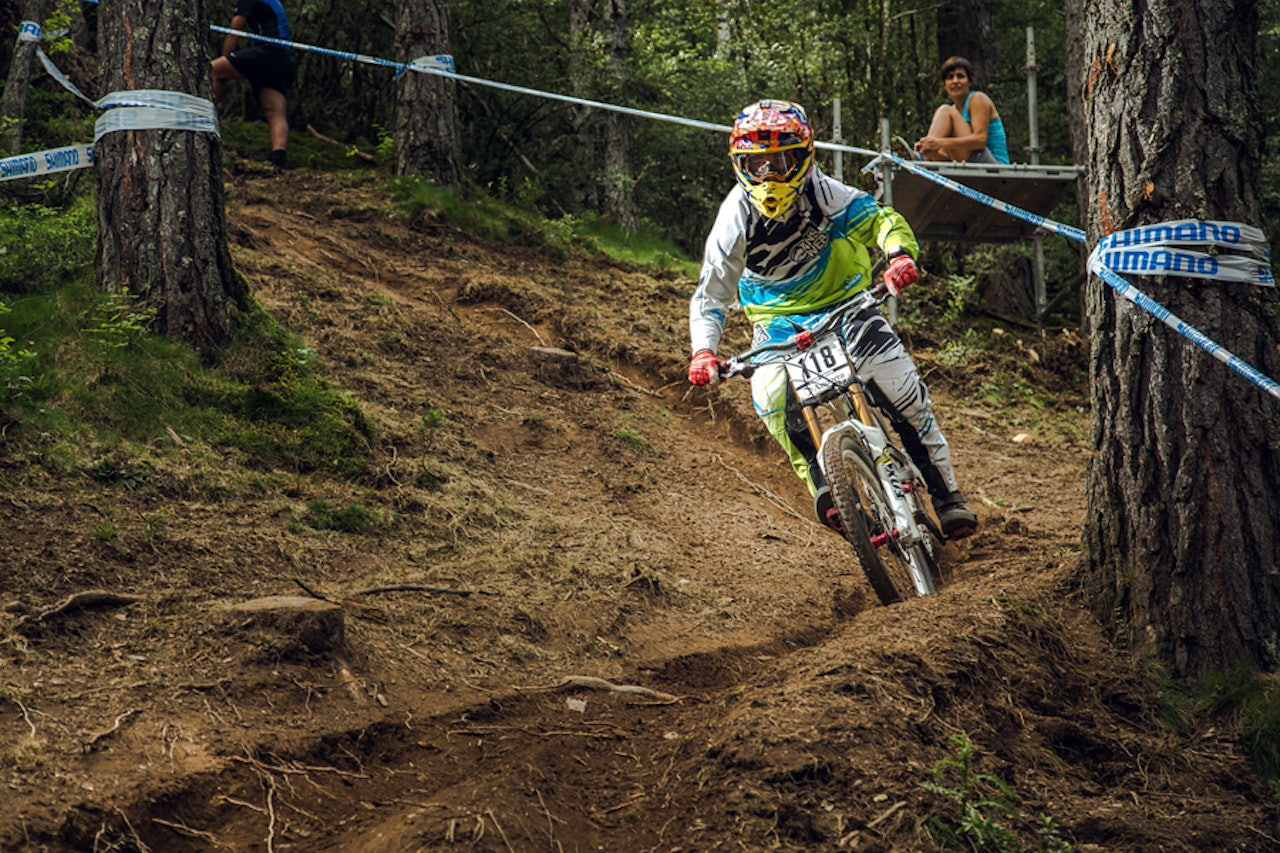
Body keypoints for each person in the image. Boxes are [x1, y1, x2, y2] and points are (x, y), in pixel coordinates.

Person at [687, 100, 978, 540]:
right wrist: (704, 350)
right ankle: (826, 488)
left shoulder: (825, 194)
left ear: (803, 158)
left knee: (903, 390)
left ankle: (947, 495)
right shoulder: (734, 220)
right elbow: (711, 294)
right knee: (768, 398)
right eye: (756, 165)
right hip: (778, 322)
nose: (768, 176)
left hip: (846, 303)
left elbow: (880, 220)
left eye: (780, 161)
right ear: (739, 165)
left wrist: (898, 254)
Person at [211, 0, 296, 170]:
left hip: (269, 52)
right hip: (283, 59)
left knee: (213, 70)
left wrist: (226, 56)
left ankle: (204, 122)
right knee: (274, 109)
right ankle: (278, 157)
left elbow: (236, 26)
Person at [913, 56, 1009, 165]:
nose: (955, 81)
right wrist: (932, 149)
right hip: (966, 165)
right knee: (945, 114)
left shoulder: (977, 99)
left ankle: (921, 158)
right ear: (944, 85)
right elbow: (945, 159)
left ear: (970, 82)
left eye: (960, 76)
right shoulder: (951, 115)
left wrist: (940, 142)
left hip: (994, 166)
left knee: (945, 110)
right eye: (950, 77)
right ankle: (925, 155)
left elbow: (980, 141)